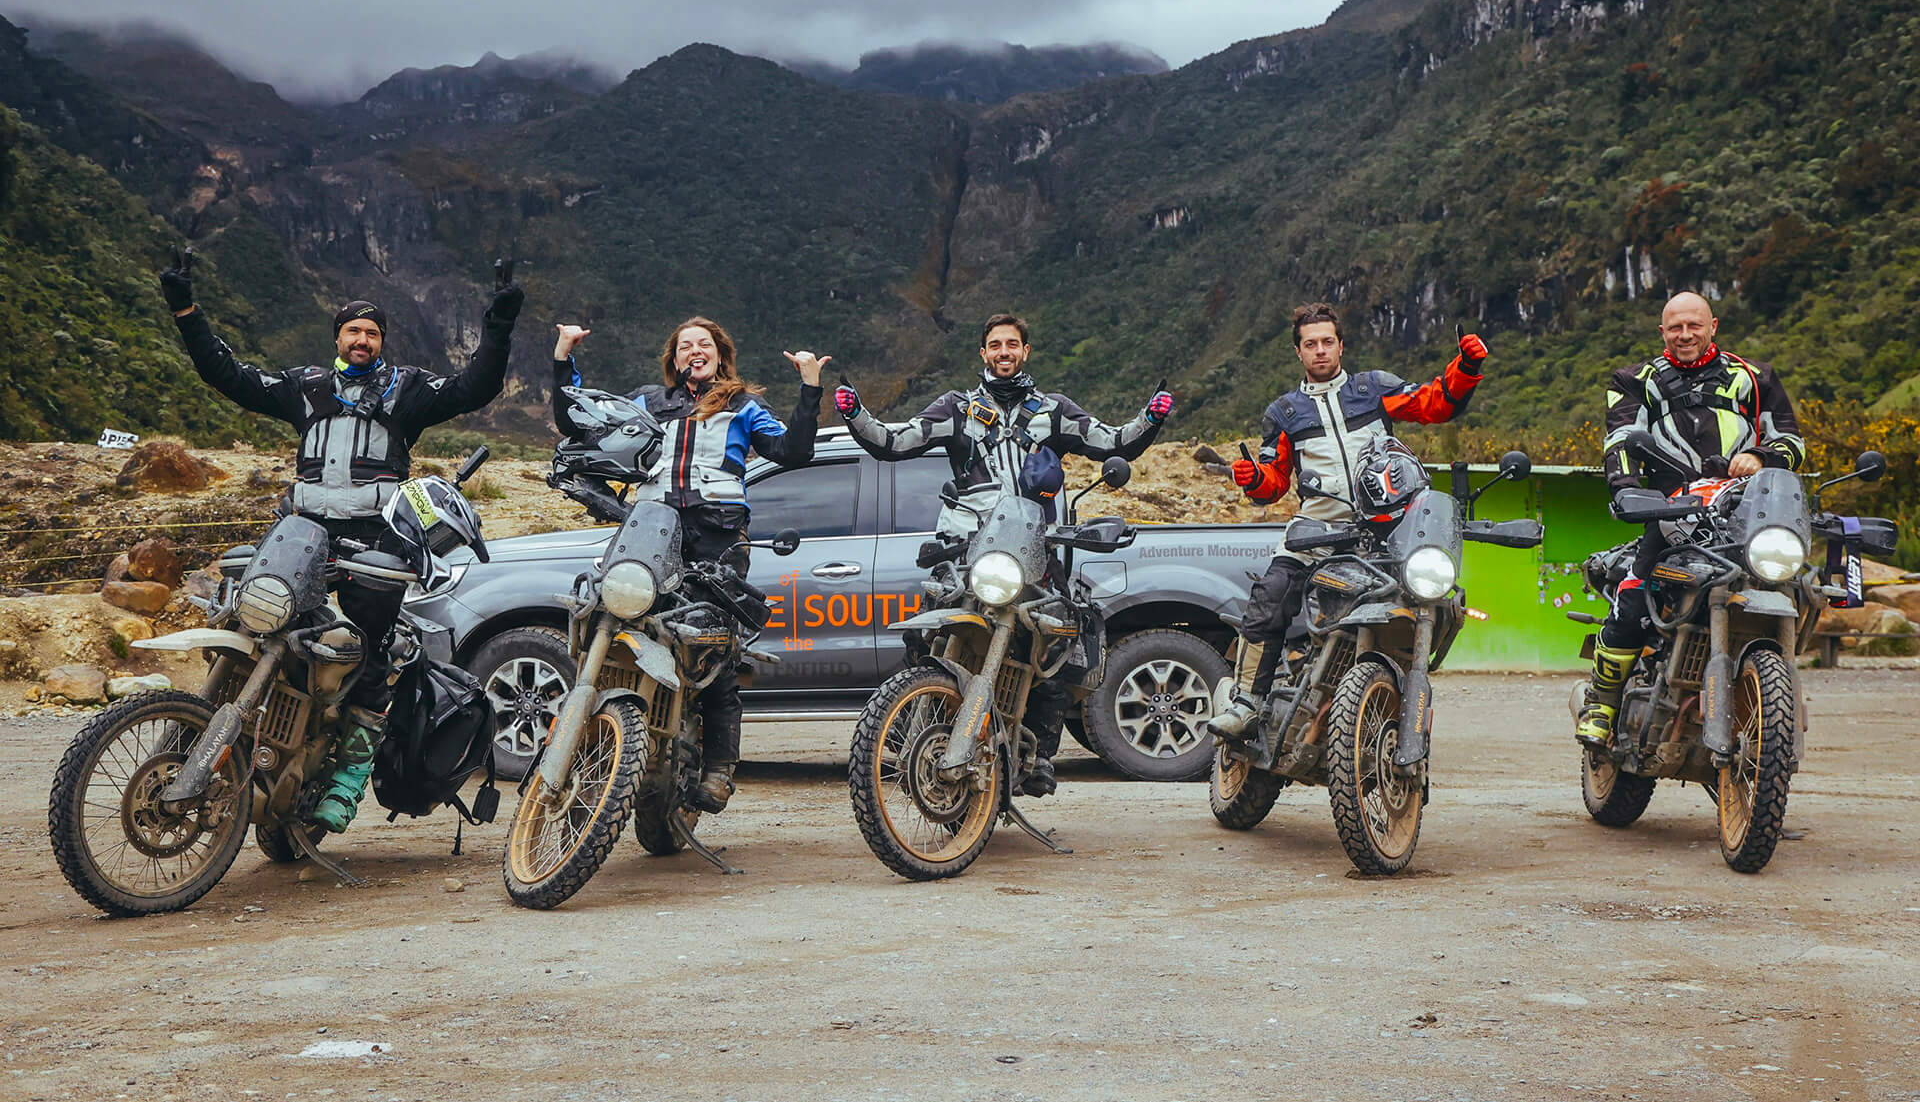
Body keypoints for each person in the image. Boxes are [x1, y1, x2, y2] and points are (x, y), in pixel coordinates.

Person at [158, 258, 523, 832]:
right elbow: (227, 376)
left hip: (376, 541)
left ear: (382, 343)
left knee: (371, 649)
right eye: (353, 330)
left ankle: (351, 774)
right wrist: (187, 312)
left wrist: (498, 325)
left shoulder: (408, 392)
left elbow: (475, 387)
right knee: (253, 623)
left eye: (372, 332)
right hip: (302, 536)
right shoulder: (303, 388)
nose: (362, 339)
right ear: (337, 338)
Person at [833, 312, 1174, 796]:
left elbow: (1112, 442)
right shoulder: (956, 408)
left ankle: (1039, 756)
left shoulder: (1053, 410)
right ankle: (910, 733)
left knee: (1060, 645)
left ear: (1025, 351)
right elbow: (895, 442)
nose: (1004, 352)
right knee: (922, 638)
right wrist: (854, 413)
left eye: (1012, 344)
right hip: (968, 552)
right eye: (995, 344)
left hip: (1034, 552)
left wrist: (1152, 416)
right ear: (983, 353)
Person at [552, 316, 827, 811]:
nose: (694, 351)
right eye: (685, 346)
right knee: (608, 617)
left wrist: (809, 389)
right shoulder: (646, 403)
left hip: (717, 536)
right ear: (673, 358)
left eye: (704, 344)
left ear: (721, 354)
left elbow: (794, 450)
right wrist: (563, 358)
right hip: (652, 530)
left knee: (713, 649)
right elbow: (579, 419)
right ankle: (596, 745)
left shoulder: (744, 406)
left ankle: (720, 766)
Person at [1209, 302, 1487, 739]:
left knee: (1426, 599)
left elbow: (1435, 403)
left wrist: (1466, 366)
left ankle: (1389, 701)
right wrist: (1252, 478)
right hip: (1318, 532)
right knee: (1271, 596)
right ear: (1298, 353)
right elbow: (1273, 484)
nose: (1319, 350)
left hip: (1385, 534)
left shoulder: (1374, 388)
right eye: (1310, 344)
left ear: (1341, 345)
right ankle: (1248, 702)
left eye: (1326, 342)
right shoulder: (1283, 413)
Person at [1575, 290, 1805, 747]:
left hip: (1743, 511)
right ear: (1662, 331)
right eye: (1675, 327)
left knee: (1795, 581)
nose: (1685, 335)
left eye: (1694, 326)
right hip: (1671, 510)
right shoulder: (1634, 380)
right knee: (1636, 589)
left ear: (1712, 326)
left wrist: (1760, 457)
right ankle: (1601, 701)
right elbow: (1620, 441)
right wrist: (1628, 493)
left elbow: (1792, 442)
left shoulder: (1755, 378)